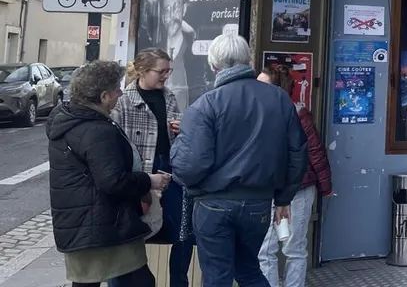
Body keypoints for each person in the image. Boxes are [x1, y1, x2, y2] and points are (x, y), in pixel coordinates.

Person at [170, 35, 308, 287]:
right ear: (247, 59)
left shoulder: (205, 105)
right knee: (249, 271)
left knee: (217, 276)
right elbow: (297, 153)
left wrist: (178, 151)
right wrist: (284, 198)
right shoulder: (279, 99)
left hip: (214, 203)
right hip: (258, 203)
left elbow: (190, 166)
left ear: (214, 66)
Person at [46, 60, 172, 287]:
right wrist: (149, 181)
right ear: (104, 96)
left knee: (90, 282)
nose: (121, 93)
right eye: (116, 89)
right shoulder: (97, 130)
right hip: (104, 227)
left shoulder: (69, 121)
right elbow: (113, 182)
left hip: (82, 226)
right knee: (139, 282)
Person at [111, 49, 194, 287]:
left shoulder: (168, 97)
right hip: (139, 175)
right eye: (161, 71)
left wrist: (182, 129)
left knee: (184, 232)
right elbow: (117, 144)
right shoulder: (124, 101)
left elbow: (179, 140)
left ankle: (179, 282)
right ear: (143, 71)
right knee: (131, 234)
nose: (166, 75)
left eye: (169, 70)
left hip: (170, 171)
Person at [256, 66, 333, 287]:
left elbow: (315, 151)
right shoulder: (255, 114)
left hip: (298, 190)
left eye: (262, 85)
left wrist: (326, 186)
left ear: (278, 90)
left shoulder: (299, 115)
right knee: (265, 250)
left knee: (294, 249)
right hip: (266, 190)